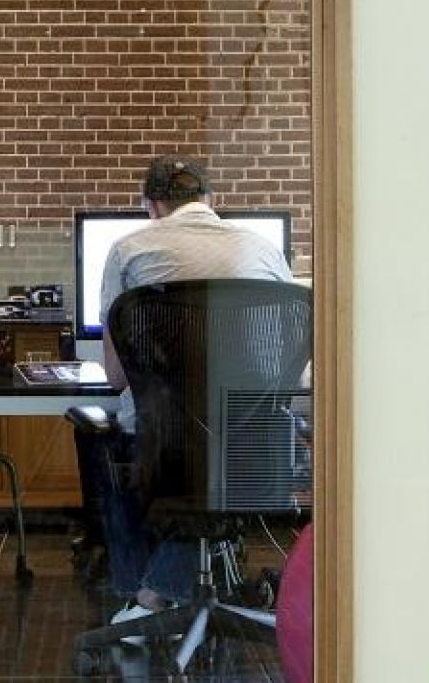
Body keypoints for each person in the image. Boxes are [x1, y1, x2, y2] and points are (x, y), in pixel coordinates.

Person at [77, 155, 293, 628]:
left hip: (166, 448)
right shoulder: (264, 249)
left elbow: (116, 378)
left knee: (100, 436)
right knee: (211, 472)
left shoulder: (128, 250)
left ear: (152, 207)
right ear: (210, 202)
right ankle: (165, 590)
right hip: (256, 447)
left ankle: (144, 598)